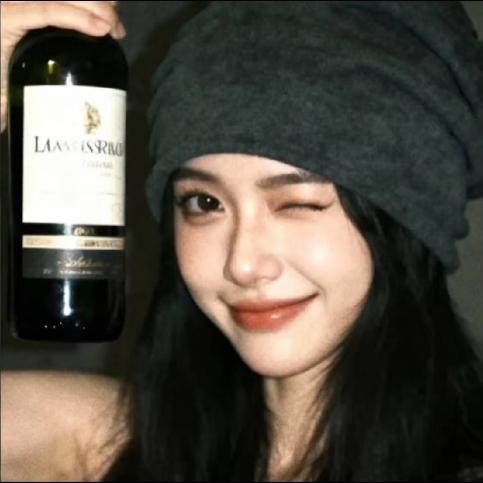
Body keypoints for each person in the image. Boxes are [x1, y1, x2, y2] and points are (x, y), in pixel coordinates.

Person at [1, 1, 483, 482]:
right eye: (205, 203)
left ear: (408, 218)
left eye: (296, 202)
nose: (243, 264)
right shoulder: (97, 445)